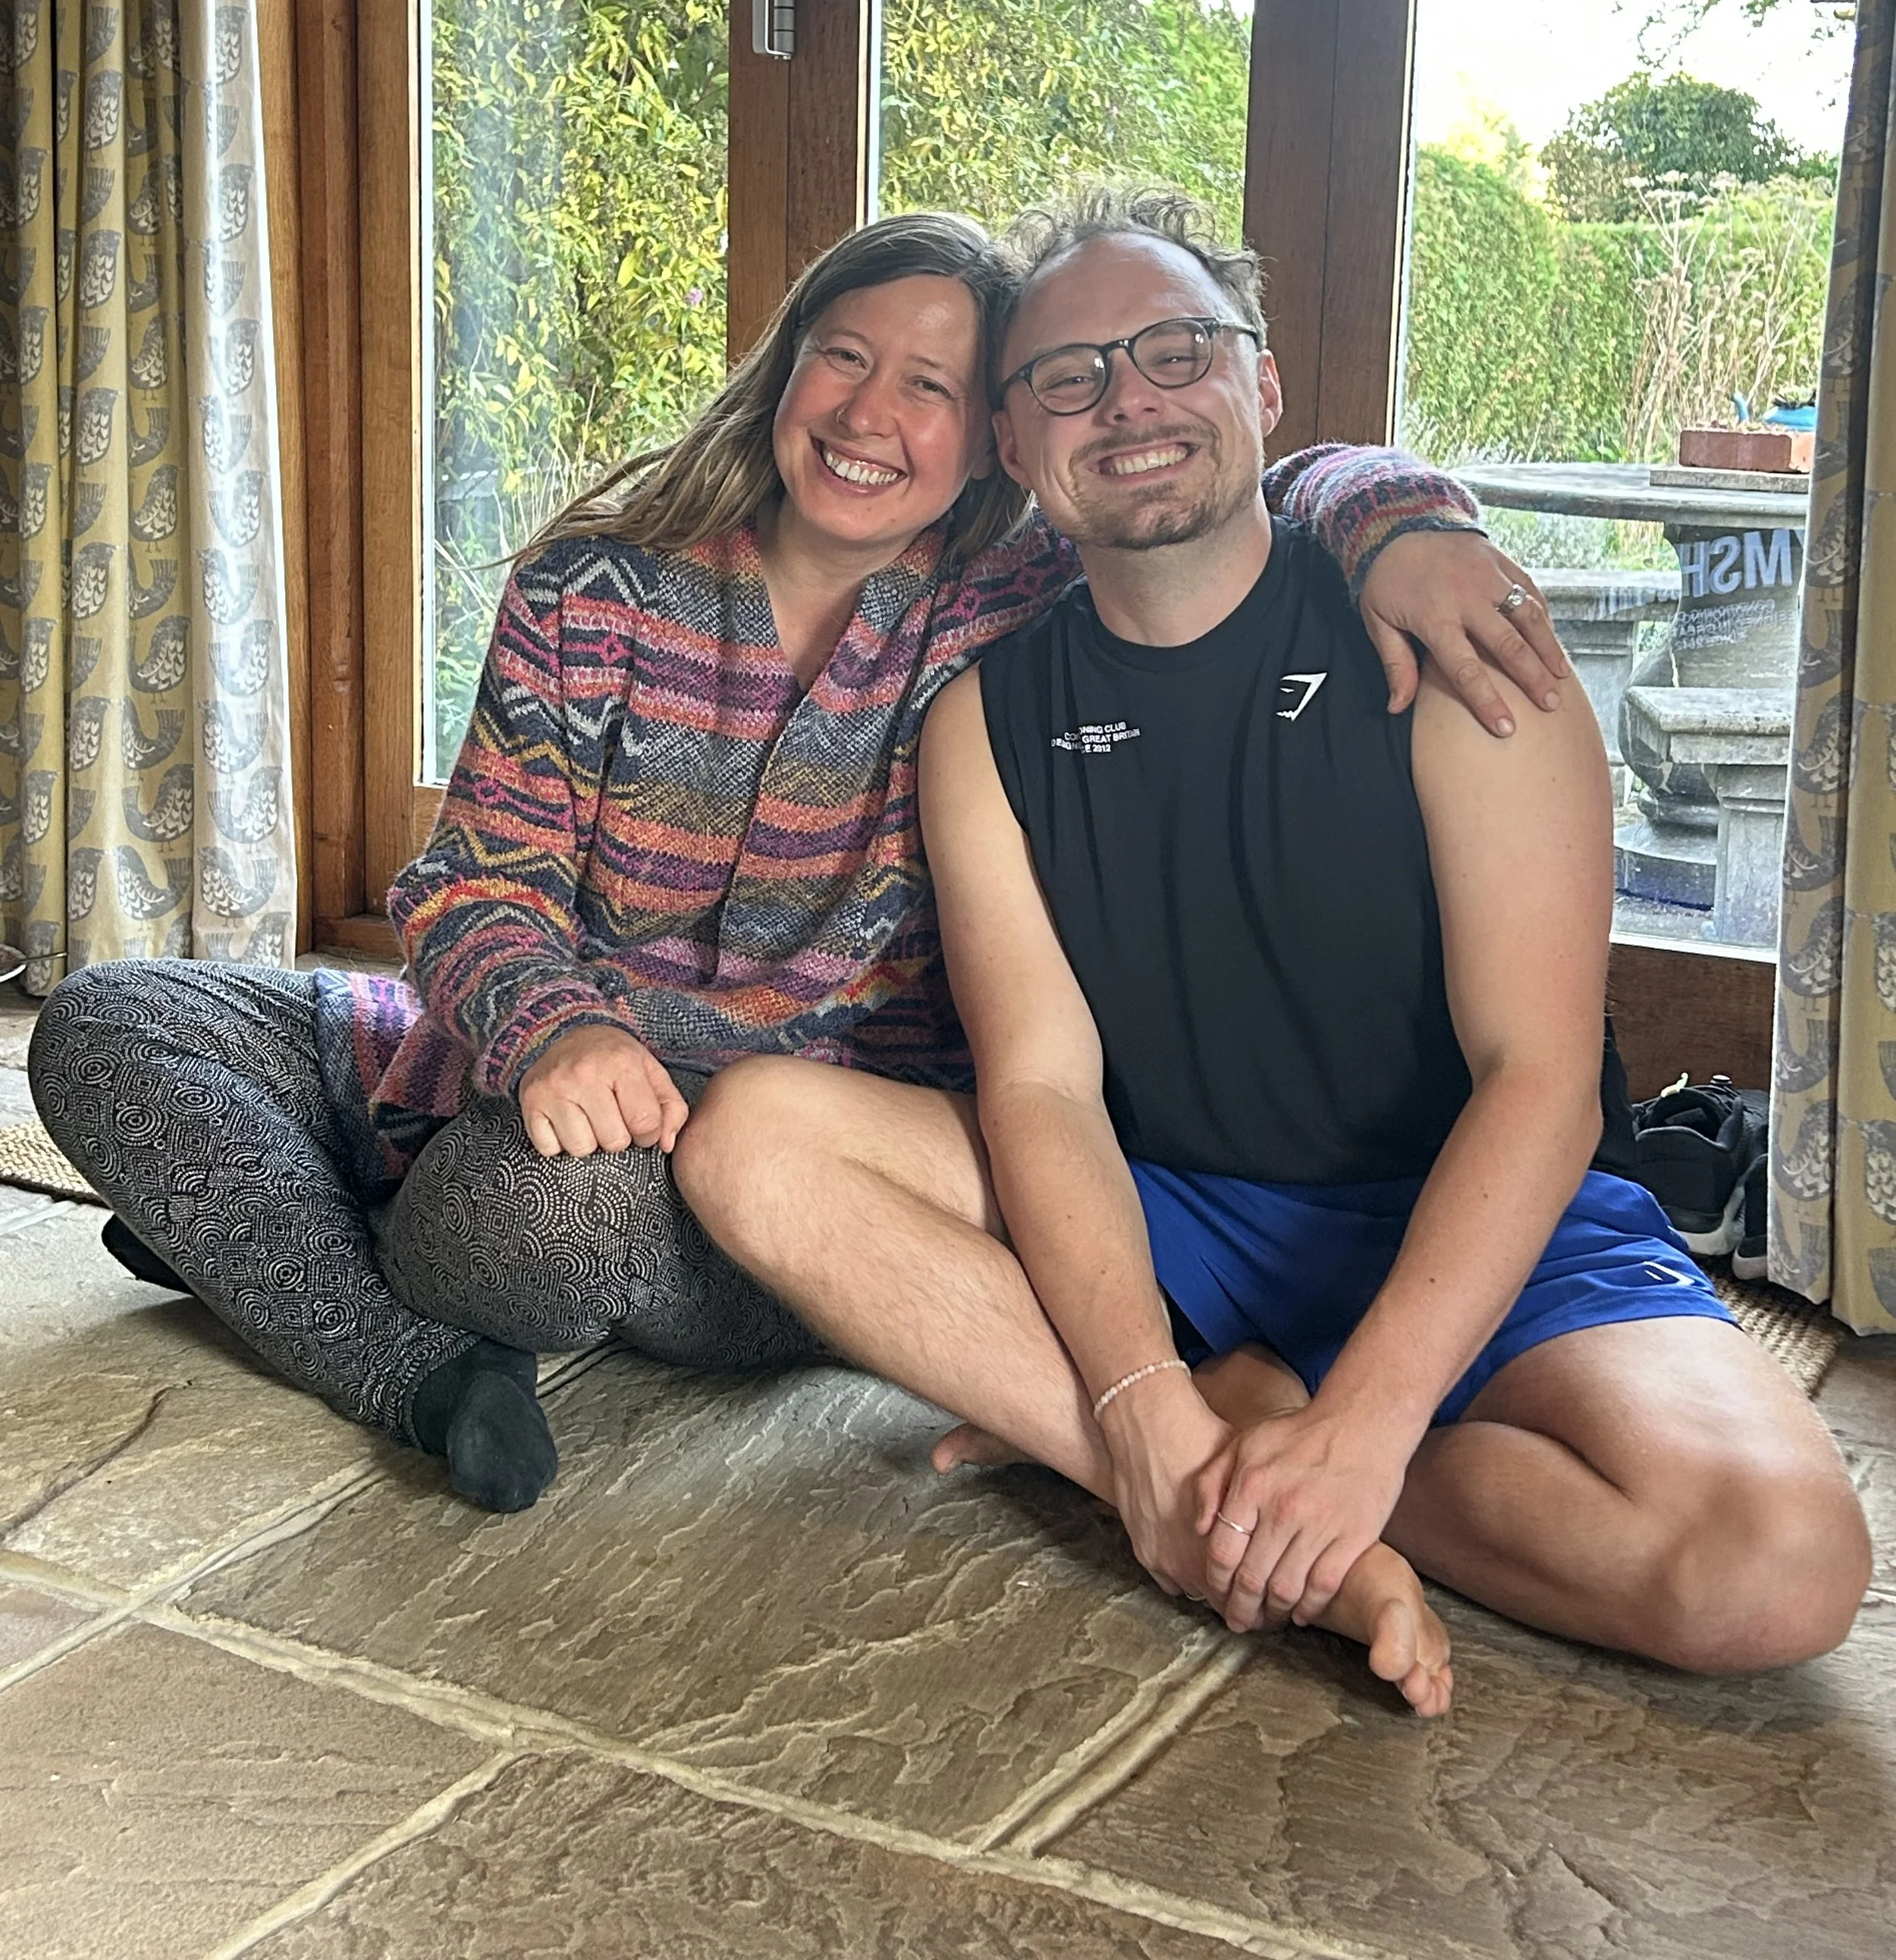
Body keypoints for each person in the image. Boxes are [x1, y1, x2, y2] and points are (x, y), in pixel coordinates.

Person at [31, 211, 1562, 1515]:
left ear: (1000, 444)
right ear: (785, 367)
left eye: (933, 387)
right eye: (844, 357)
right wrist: (551, 1024)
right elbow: (476, 875)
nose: (870, 413)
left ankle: (290, 1238)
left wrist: (1397, 515)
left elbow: (1222, 484)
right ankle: (401, 1357)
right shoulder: (599, 583)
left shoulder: (1013, 603)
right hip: (529, 1065)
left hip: (764, 1159)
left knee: (534, 1218)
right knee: (105, 1021)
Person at [673, 194, 1872, 1714]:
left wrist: (1361, 1429)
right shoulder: (981, 717)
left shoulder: (1457, 643)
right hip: (1167, 1219)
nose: (1128, 402)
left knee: (1775, 1564)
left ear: (1261, 387)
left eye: (1175, 351)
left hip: (1474, 1211)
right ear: (1016, 442)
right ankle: (1173, 1464)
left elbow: (1539, 1076)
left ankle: (1240, 1466)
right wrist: (1133, 1393)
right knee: (754, 1141)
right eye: (1068, 375)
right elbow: (1042, 1089)